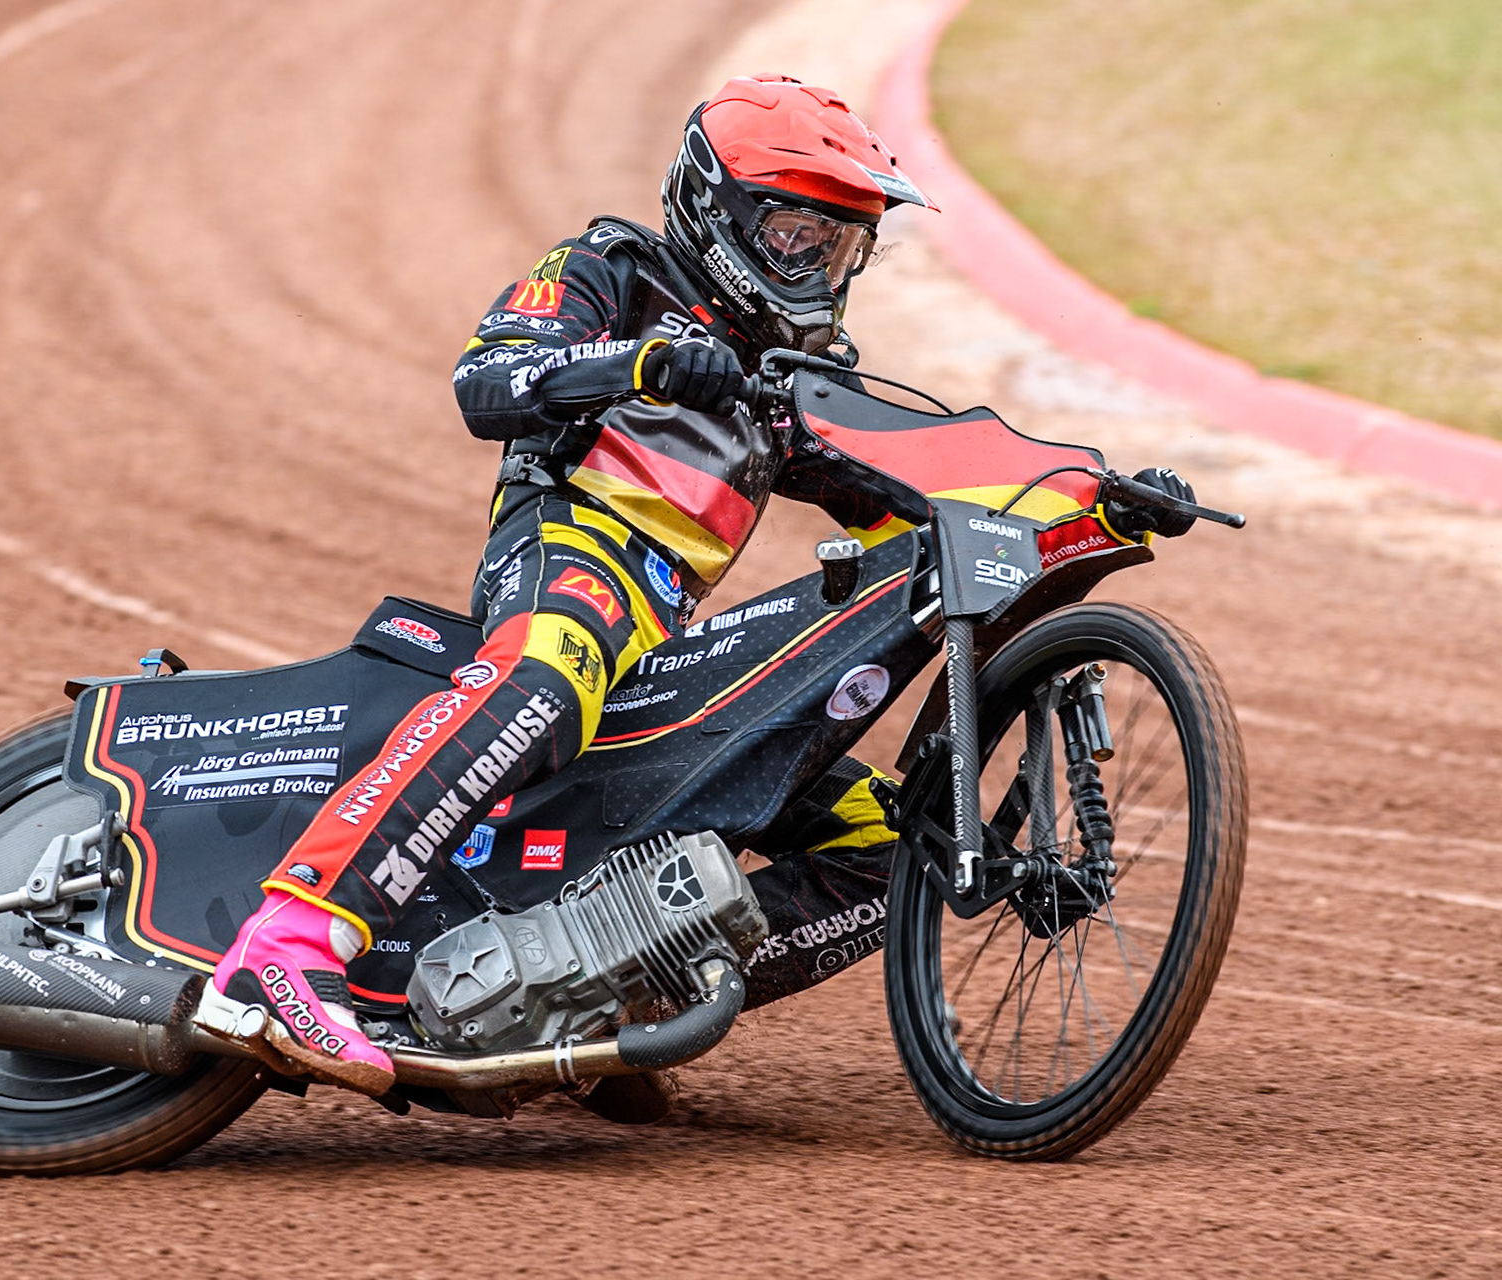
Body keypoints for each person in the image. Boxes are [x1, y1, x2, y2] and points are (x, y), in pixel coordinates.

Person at [193, 75, 1189, 1096]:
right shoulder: (611, 265)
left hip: (662, 639)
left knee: (888, 846)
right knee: (547, 670)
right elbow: (485, 381)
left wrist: (1085, 504)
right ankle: (287, 942)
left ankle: (614, 1001)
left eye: (843, 243)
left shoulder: (792, 375)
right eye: (800, 233)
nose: (823, 264)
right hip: (565, 559)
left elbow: (904, 497)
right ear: (720, 210)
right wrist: (649, 363)